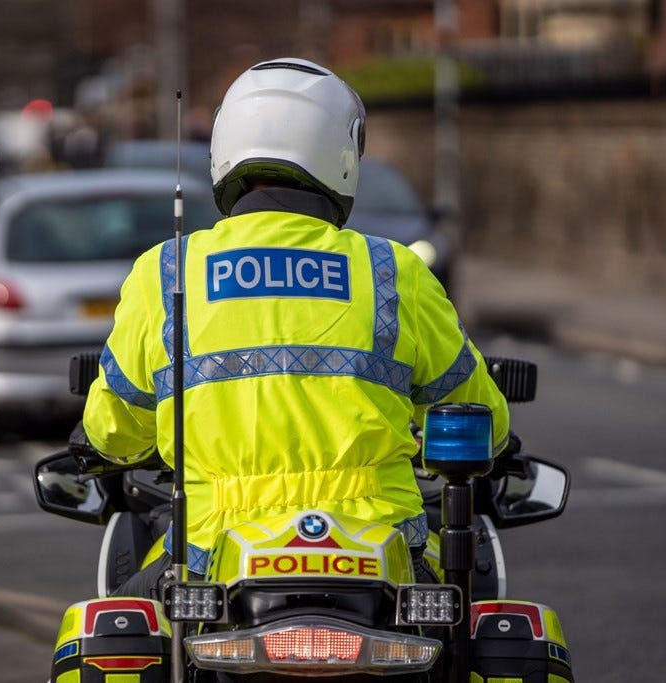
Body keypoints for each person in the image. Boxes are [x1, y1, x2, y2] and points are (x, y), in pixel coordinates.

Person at [80, 57, 510, 599]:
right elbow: (483, 420)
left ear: (224, 151)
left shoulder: (167, 270)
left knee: (112, 632)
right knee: (470, 628)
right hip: (378, 555)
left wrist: (99, 440)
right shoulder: (392, 271)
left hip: (211, 554)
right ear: (344, 154)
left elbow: (113, 428)